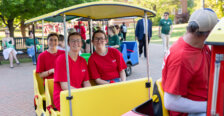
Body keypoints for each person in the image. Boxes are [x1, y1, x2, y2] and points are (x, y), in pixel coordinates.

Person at [162, 8, 218, 116]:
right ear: (208, 34)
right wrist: (212, 105)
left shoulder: (201, 45)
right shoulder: (181, 58)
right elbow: (170, 102)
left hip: (205, 101)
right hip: (191, 112)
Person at [53, 32, 91, 111]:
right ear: (68, 43)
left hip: (79, 94)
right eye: (73, 41)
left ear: (81, 43)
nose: (76, 43)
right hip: (65, 96)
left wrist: (89, 93)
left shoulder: (83, 61)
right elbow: (64, 86)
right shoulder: (62, 59)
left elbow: (86, 82)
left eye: (78, 41)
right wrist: (82, 94)